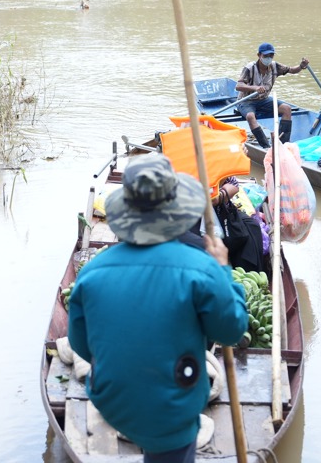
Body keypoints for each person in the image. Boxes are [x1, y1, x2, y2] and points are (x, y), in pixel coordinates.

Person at [67, 154, 248, 463]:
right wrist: (223, 270)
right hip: (170, 413)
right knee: (170, 428)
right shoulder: (202, 268)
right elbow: (232, 329)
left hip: (110, 399)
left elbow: (81, 346)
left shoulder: (92, 273)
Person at [235, 42, 309, 147]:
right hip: (246, 101)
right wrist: (255, 88)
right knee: (251, 116)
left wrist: (301, 66)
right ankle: (266, 146)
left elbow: (292, 70)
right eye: (266, 56)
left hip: (263, 100)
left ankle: (282, 144)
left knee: (287, 109)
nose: (268, 58)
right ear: (259, 55)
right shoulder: (250, 68)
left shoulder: (275, 66)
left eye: (271, 55)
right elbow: (239, 85)